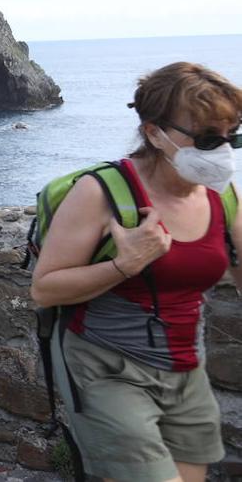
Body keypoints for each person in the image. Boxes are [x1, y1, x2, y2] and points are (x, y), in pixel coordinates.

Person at [31, 62, 242, 482]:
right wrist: (123, 265)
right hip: (108, 368)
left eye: (230, 137)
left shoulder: (224, 196)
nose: (220, 151)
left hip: (186, 367)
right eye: (205, 138)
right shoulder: (100, 192)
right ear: (153, 132)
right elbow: (44, 289)